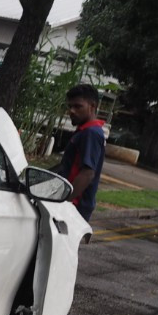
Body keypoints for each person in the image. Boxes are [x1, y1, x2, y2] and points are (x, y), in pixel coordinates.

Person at [57, 84, 106, 221]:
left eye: (78, 106)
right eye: (70, 106)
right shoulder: (86, 131)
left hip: (74, 207)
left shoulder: (91, 133)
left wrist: (64, 202)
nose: (72, 111)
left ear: (92, 106)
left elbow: (87, 173)